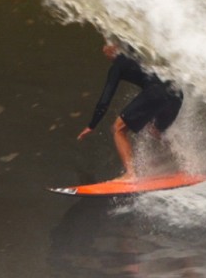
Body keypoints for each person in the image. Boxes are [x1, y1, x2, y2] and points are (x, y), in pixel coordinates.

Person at [77, 42, 183, 181]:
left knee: (118, 128)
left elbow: (105, 99)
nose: (103, 49)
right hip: (176, 93)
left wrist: (92, 125)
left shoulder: (117, 66)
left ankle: (131, 174)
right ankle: (183, 162)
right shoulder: (138, 55)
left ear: (115, 48)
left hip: (157, 92)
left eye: (106, 45)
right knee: (155, 130)